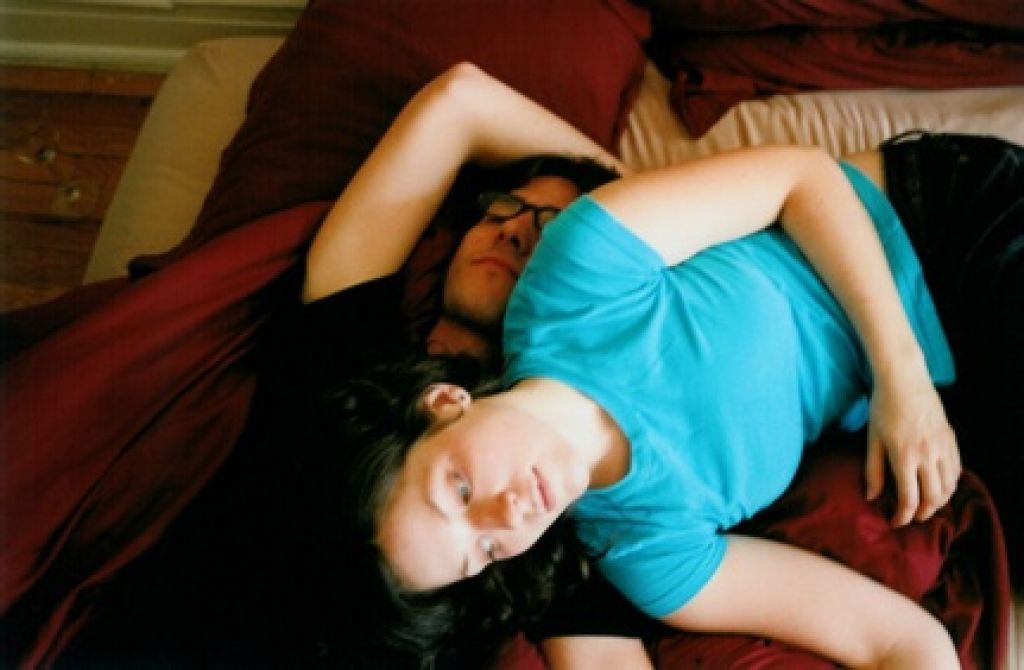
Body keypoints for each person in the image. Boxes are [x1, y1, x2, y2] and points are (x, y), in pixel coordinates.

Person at [324, 130, 1022, 668]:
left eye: (460, 489)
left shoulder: (573, 276)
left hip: (934, 230)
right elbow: (895, 640)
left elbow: (804, 177)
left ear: (445, 402)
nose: (508, 518)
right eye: (481, 551)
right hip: (960, 385)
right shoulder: (646, 554)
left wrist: (902, 380)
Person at [52, 62, 662, 670]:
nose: (514, 231)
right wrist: (623, 187)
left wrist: (618, 232)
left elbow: (602, 655)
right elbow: (461, 100)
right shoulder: (347, 347)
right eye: (502, 208)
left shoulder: (540, 493)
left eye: (554, 232)